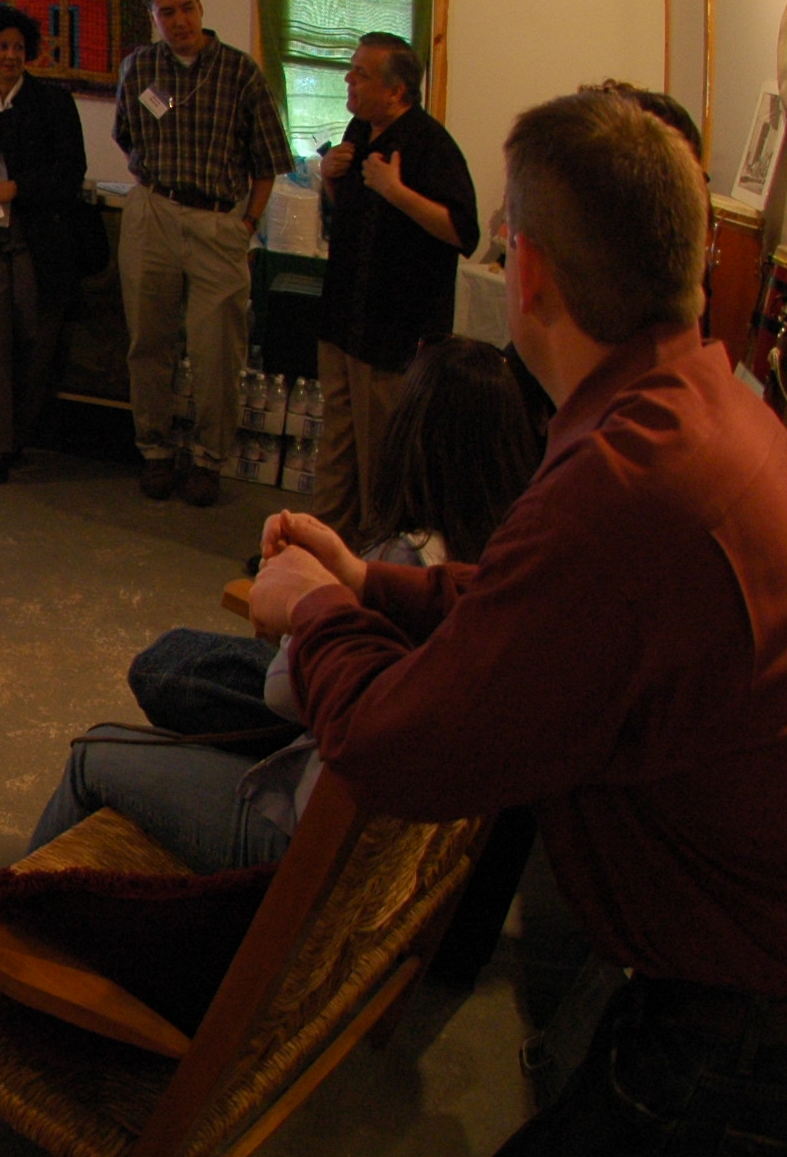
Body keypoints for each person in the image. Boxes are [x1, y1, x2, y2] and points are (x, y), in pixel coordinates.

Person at [184, 92, 787, 1157]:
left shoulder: (635, 473)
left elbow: (400, 746)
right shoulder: (689, 401)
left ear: (535, 273)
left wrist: (310, 614)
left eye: (507, 236)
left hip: (751, 1017)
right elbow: (537, 607)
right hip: (741, 991)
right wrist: (374, 585)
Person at [30, 339, 539, 872]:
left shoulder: (406, 555)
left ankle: (8, 910)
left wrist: (302, 603)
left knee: (94, 750)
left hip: (296, 827)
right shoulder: (509, 561)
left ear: (409, 439)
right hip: (350, 803)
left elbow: (282, 693)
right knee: (169, 666)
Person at [112, 0, 291, 507]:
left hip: (218, 223)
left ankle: (209, 459)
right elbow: (126, 135)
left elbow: (268, 162)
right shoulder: (139, 68)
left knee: (217, 352)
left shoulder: (241, 73)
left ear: (201, 6)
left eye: (187, 8)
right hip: (153, 213)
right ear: (153, 16)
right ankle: (155, 450)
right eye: (167, 12)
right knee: (149, 342)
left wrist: (246, 224)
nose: (180, 21)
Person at [311, 35, 479, 537]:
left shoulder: (431, 145)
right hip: (344, 317)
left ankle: (372, 560)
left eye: (361, 73)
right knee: (337, 447)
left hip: (392, 334)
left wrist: (396, 191)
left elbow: (463, 232)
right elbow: (352, 215)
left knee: (381, 457)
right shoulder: (359, 130)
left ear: (397, 91)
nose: (349, 79)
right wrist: (329, 179)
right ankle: (321, 547)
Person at [0, 3, 90, 491]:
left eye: (19, 48)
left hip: (38, 245)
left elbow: (70, 175)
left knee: (34, 346)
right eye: (1, 46)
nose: (10, 55)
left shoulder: (53, 102)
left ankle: (15, 442)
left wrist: (16, 188)